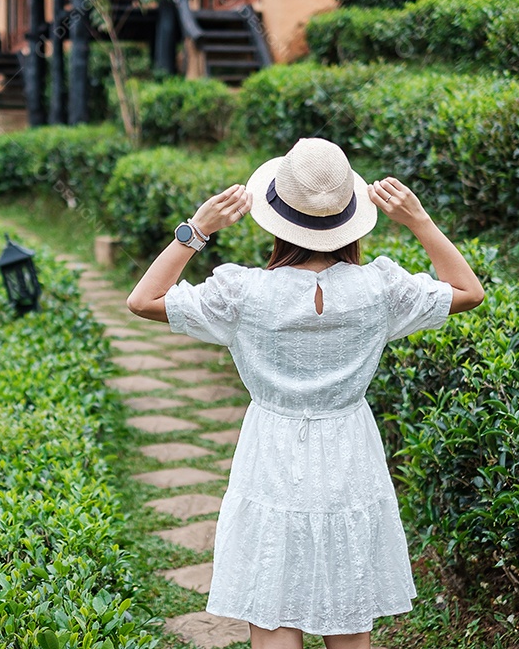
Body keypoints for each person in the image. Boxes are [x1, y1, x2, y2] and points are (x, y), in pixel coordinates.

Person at [126, 138, 485, 649]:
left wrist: (196, 230)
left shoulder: (242, 294)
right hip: (351, 451)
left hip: (269, 450)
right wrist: (419, 221)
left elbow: (143, 300)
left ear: (276, 215)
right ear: (351, 215)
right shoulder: (379, 289)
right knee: (348, 613)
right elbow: (469, 291)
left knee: (272, 599)